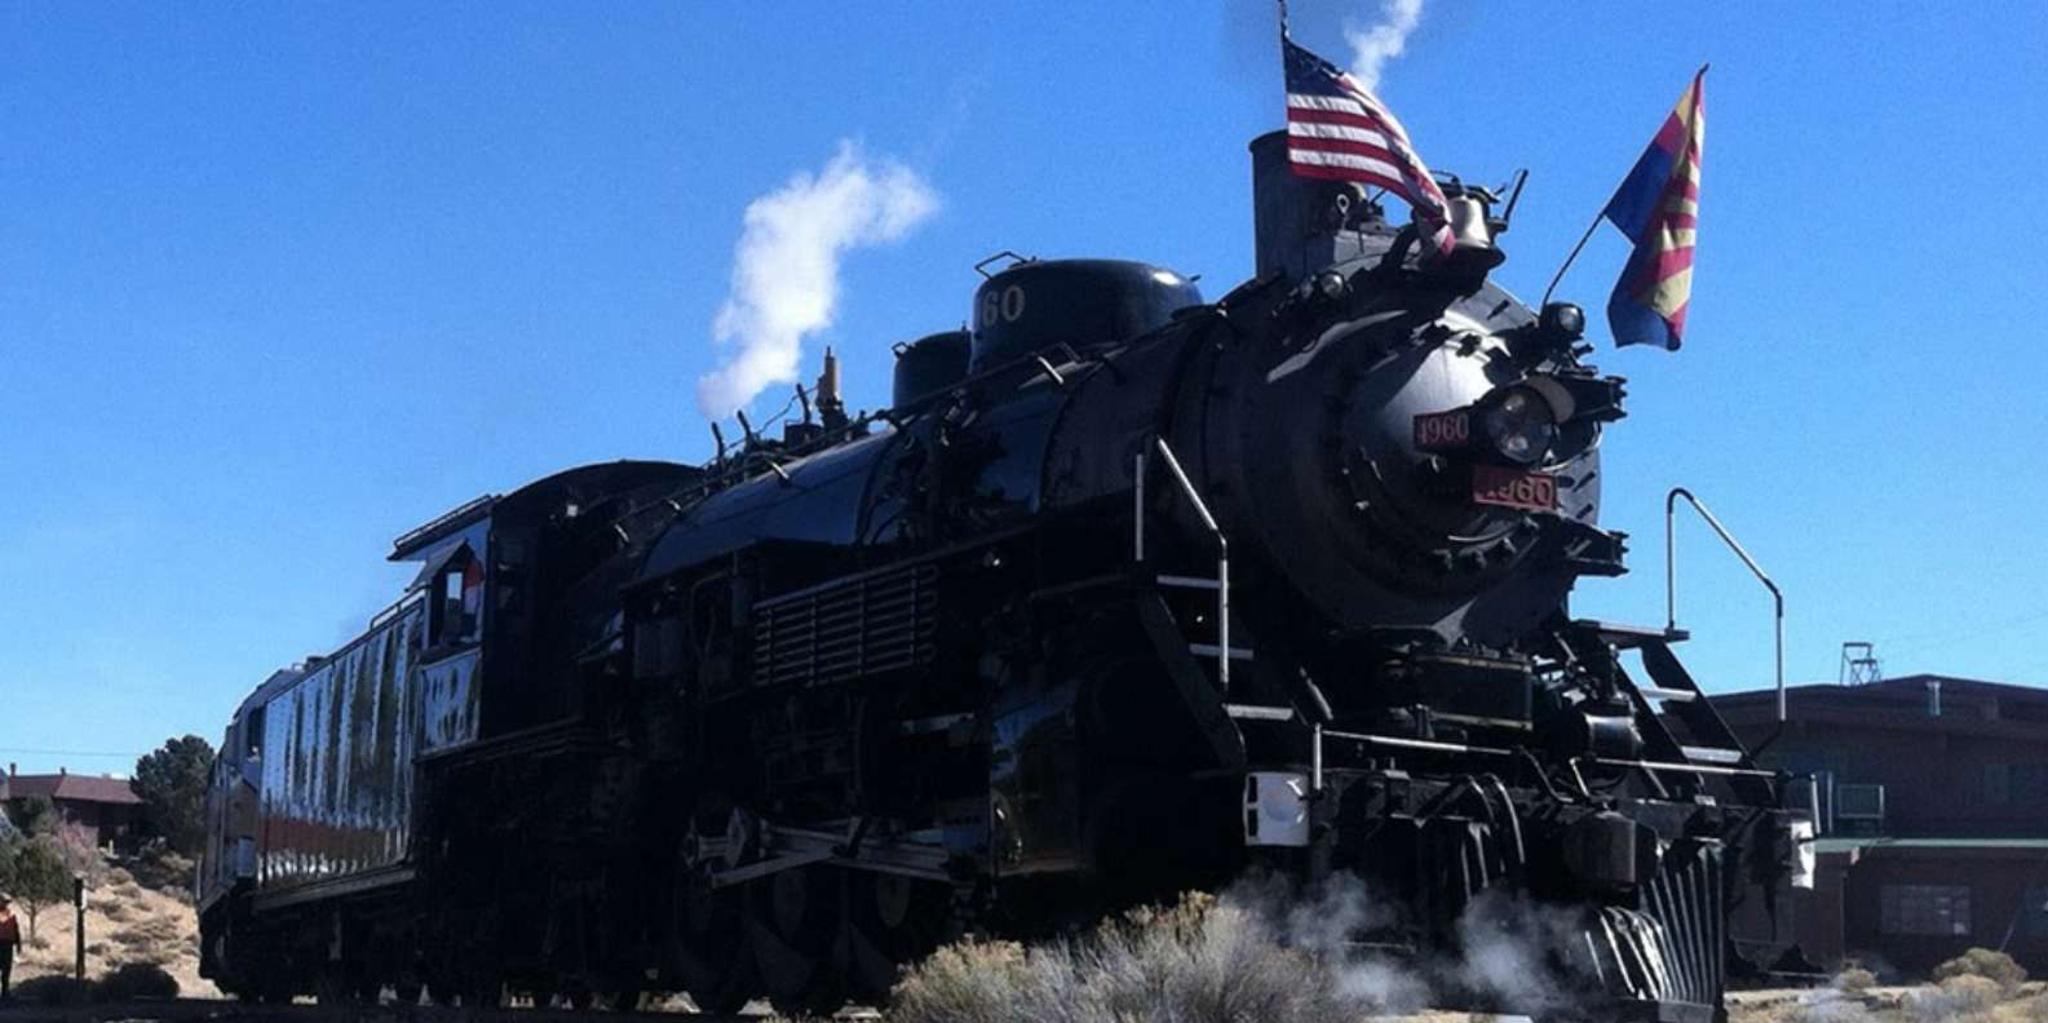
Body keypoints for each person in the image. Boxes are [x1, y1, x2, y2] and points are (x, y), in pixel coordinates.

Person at [0, 892, 19, 1000]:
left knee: (6, 968)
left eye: (6, 902)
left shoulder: (11, 915)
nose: (5, 904)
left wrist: (18, 943)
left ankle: (5, 991)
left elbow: (16, 930)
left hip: (8, 944)